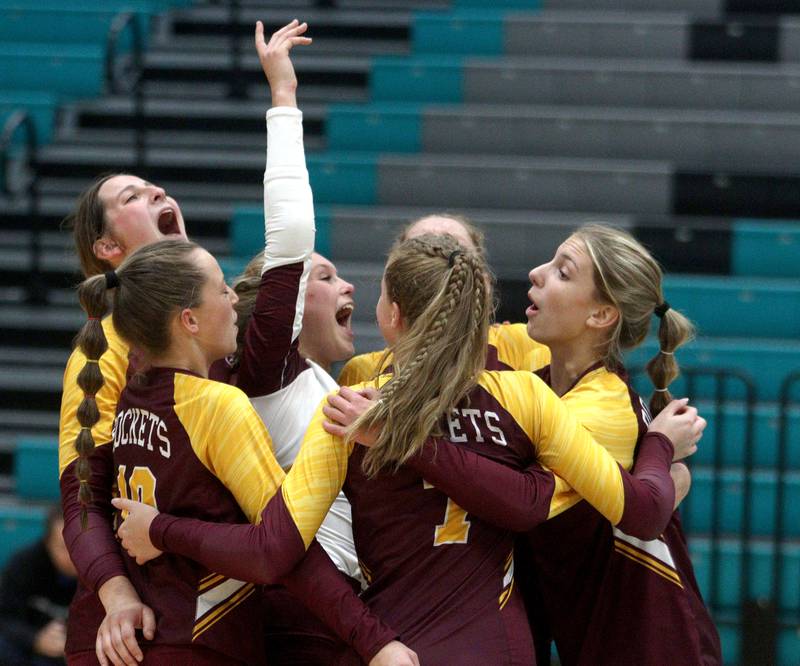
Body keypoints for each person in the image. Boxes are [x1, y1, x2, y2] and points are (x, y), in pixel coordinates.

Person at [113, 233, 700, 664]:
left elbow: (273, 549)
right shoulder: (527, 394)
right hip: (506, 645)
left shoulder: (349, 405)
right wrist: (657, 452)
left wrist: (162, 528)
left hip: (402, 645)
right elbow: (541, 503)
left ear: (391, 315)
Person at [59, 20, 416, 666]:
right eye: (134, 196)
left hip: (200, 616)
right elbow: (83, 498)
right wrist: (113, 594)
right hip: (152, 623)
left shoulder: (215, 371)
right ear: (109, 251)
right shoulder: (115, 354)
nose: (159, 192)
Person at [329, 225, 720, 665]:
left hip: (655, 642)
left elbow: (519, 498)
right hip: (587, 632)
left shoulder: (601, 405)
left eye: (562, 273)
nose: (536, 273)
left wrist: (403, 437)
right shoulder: (535, 388)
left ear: (601, 315)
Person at [337, 213, 550, 387]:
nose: (437, 259)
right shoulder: (362, 372)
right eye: (417, 249)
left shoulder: (528, 345)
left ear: (484, 282)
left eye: (455, 249)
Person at [0, 505, 77, 666]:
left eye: (79, 546)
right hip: (32, 648)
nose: (73, 556)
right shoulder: (22, 565)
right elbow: (6, 617)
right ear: (47, 543)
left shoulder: (107, 573)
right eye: (63, 547)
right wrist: (36, 639)